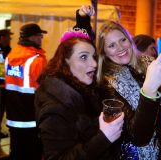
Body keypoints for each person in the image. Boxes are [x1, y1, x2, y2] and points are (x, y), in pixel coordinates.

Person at [95, 20, 161, 159]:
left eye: (123, 40)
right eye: (111, 45)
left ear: (130, 40)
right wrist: (149, 90)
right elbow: (139, 137)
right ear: (104, 53)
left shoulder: (149, 64)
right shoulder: (107, 84)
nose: (120, 47)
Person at [35, 28, 125, 159]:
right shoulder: (55, 105)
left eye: (94, 57)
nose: (94, 64)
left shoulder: (85, 90)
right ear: (65, 61)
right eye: (83, 57)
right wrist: (104, 138)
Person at [4, 23, 47, 160]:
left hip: (13, 118)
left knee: (16, 152)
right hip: (32, 120)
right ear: (32, 38)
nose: (41, 39)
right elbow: (45, 90)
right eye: (40, 36)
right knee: (32, 154)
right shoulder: (37, 60)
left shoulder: (10, 56)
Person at [0, 29, 13, 139]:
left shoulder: (9, 50)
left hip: (4, 86)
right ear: (0, 38)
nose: (9, 39)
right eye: (7, 37)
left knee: (0, 111)